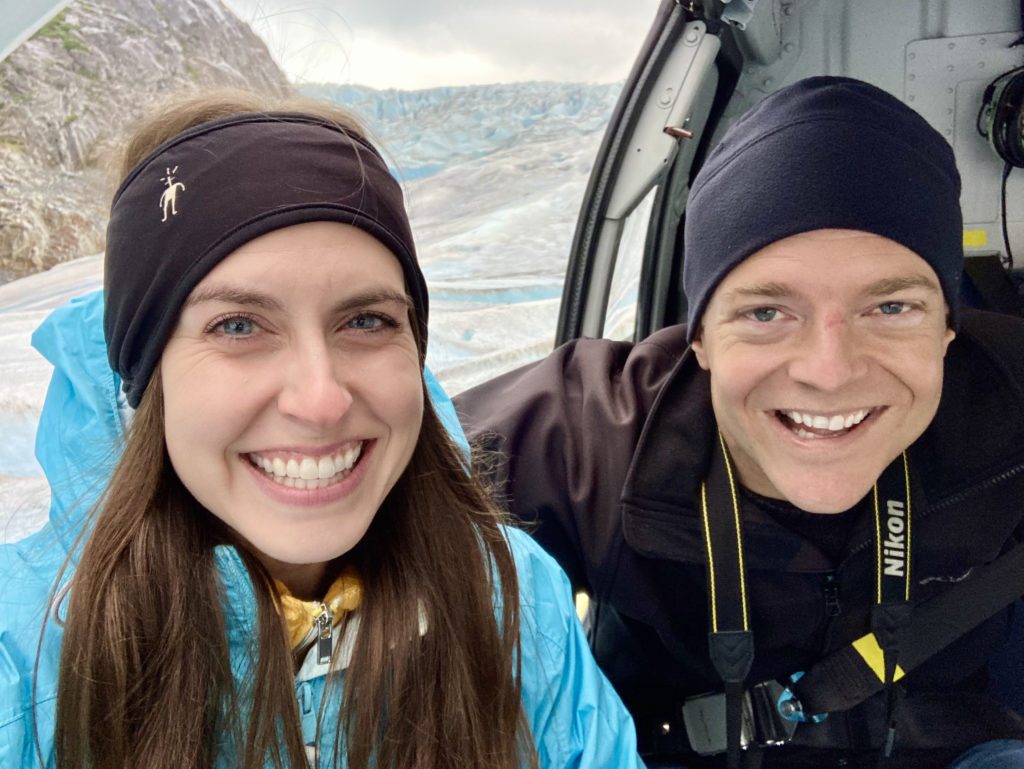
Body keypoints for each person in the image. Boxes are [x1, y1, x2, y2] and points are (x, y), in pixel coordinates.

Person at [0, 90, 644, 768]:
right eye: (238, 325)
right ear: (145, 373)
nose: (321, 400)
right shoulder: (23, 655)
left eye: (365, 320)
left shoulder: (509, 594)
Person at [455, 76, 1024, 768]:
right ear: (698, 337)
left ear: (946, 327)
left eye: (891, 308)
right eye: (766, 312)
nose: (829, 371)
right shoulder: (594, 432)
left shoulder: (1005, 395)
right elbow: (390, 484)